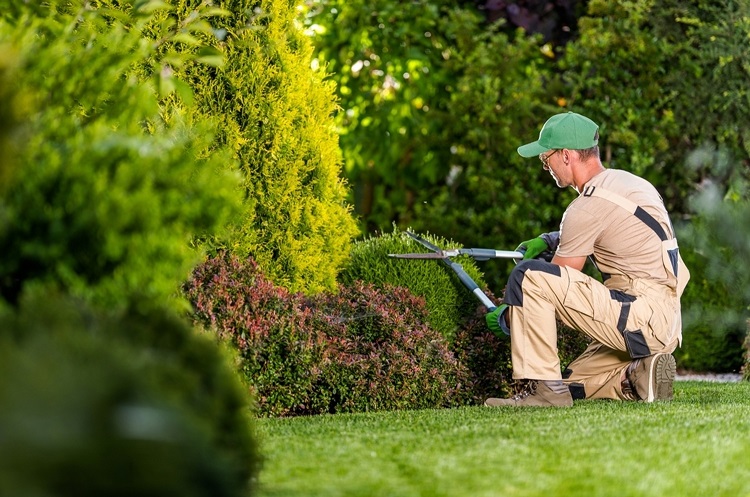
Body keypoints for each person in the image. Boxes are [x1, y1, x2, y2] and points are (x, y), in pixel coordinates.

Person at [484, 111, 689, 407]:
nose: (545, 165)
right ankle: (635, 376)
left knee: (528, 276)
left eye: (546, 157)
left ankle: (546, 396)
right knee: (568, 382)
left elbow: (556, 283)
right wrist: (551, 239)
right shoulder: (629, 184)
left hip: (639, 317)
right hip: (664, 322)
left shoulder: (586, 206)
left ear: (566, 156)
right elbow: (615, 230)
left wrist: (508, 315)